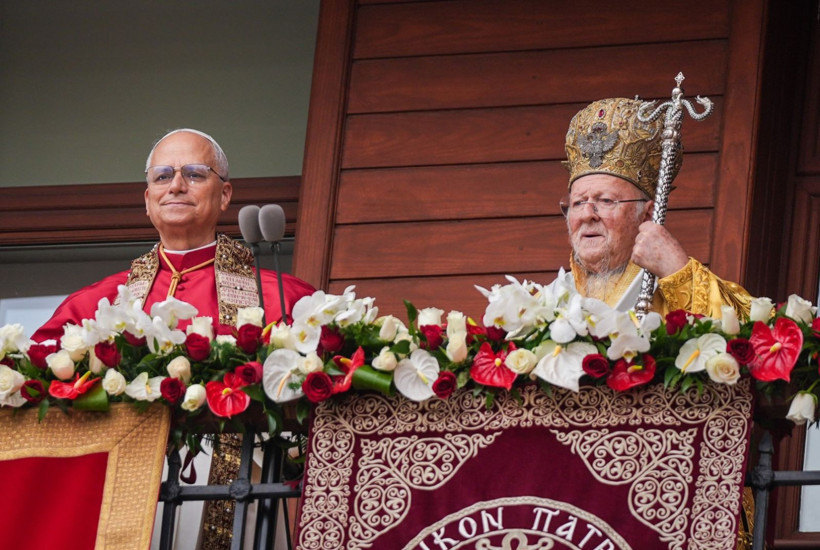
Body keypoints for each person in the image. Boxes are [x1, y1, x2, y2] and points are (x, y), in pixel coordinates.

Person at [32, 128, 315, 341]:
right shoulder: (90, 307)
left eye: (195, 174)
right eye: (163, 176)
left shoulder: (284, 299)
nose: (176, 186)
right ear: (147, 199)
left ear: (224, 195)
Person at [560, 97, 751, 318]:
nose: (587, 215)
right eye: (578, 203)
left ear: (647, 215)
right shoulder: (548, 302)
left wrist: (679, 272)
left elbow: (750, 327)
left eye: (606, 201)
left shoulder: (671, 283)